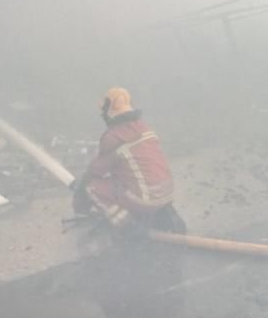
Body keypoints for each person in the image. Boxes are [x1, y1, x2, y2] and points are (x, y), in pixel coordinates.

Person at [71, 87, 186, 235]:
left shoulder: (113, 136)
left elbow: (95, 171)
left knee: (92, 187)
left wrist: (80, 198)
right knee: (129, 180)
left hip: (145, 199)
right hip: (167, 193)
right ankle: (163, 212)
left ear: (108, 110)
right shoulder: (145, 128)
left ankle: (129, 227)